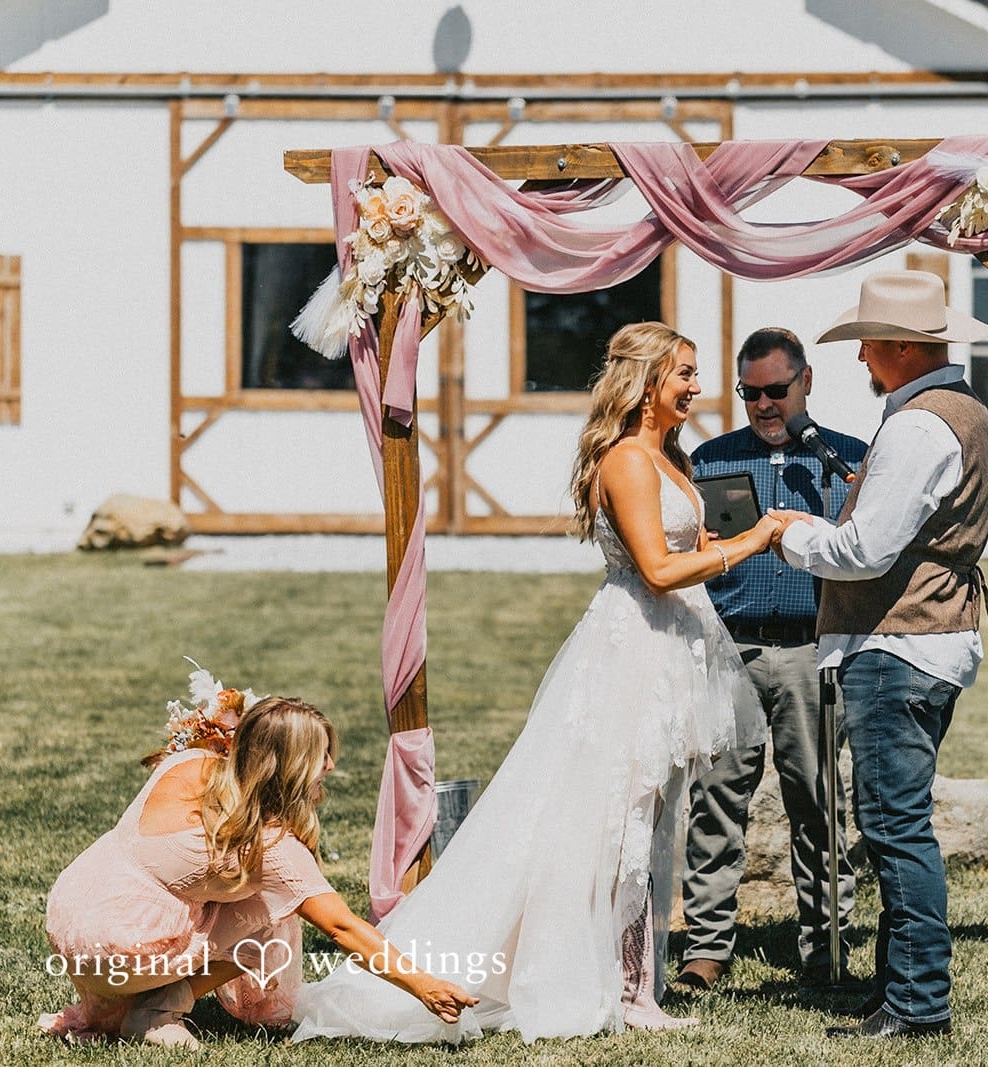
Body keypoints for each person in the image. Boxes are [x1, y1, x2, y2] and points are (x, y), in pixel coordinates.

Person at [291, 322, 777, 1044]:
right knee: (618, 821)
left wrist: (710, 541)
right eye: (685, 373)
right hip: (632, 651)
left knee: (648, 819)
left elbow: (684, 549)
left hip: (668, 647)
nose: (697, 387)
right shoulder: (626, 461)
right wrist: (752, 541)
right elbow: (659, 569)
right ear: (647, 384)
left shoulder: (665, 455)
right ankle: (620, 987)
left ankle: (638, 977)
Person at [768, 271, 988, 1041]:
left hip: (897, 645)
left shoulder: (918, 426)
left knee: (895, 826)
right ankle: (898, 990)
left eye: (868, 343)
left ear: (902, 346)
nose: (861, 357)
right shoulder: (960, 412)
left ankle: (918, 1000)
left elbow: (864, 549)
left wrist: (790, 534)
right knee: (896, 820)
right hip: (925, 641)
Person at [40, 697, 478, 1049]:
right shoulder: (273, 849)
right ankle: (160, 1009)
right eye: (322, 756)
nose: (329, 766)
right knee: (277, 911)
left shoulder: (187, 762)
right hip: (118, 950)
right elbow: (343, 928)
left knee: (235, 890)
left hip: (69, 916)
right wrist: (423, 985)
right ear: (293, 766)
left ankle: (139, 998)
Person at [676, 327, 867, 992]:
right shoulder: (711, 458)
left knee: (818, 800)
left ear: (806, 381)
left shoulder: (849, 460)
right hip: (731, 648)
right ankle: (705, 947)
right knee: (716, 800)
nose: (763, 404)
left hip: (814, 649)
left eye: (776, 390)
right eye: (750, 392)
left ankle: (825, 944)